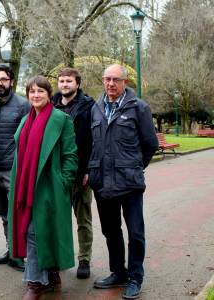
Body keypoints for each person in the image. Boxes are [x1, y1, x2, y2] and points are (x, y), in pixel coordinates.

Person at [88, 64, 158, 299]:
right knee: (111, 231)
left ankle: (135, 278)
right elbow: (92, 144)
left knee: (135, 233)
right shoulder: (95, 108)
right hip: (102, 183)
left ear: (125, 82)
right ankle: (118, 272)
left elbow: (150, 144)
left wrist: (134, 167)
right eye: (107, 79)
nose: (111, 84)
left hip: (129, 183)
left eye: (116, 79)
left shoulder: (139, 108)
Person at [8, 76, 78, 299]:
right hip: (25, 186)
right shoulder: (25, 120)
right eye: (31, 92)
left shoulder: (60, 119)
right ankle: (50, 275)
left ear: (49, 95)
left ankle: (35, 283)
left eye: (40, 91)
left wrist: (63, 181)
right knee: (34, 230)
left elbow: (70, 155)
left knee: (37, 231)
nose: (35, 95)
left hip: (50, 186)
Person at [0, 64, 29, 270]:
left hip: (13, 169)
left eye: (3, 79)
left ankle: (19, 253)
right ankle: (11, 249)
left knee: (16, 213)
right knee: (3, 212)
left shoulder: (23, 105)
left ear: (11, 81)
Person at [53, 67, 95, 279]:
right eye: (61, 81)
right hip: (56, 173)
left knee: (83, 219)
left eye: (69, 81)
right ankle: (58, 259)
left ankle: (84, 259)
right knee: (58, 219)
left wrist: (89, 168)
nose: (64, 84)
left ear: (77, 83)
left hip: (81, 173)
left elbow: (95, 139)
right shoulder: (51, 105)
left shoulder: (89, 107)